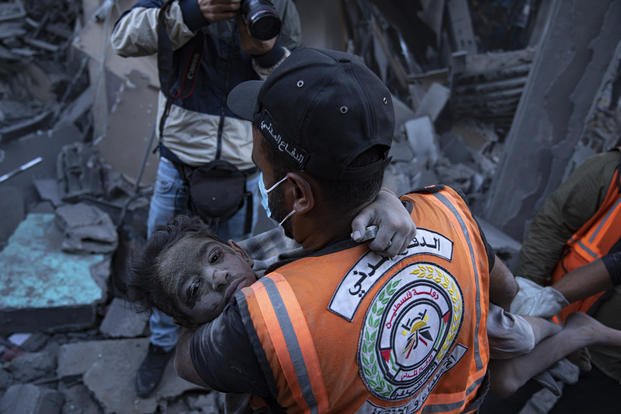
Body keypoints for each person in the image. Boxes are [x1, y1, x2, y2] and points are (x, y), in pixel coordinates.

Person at [162, 47, 498, 413]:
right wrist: (386, 195)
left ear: (298, 194)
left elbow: (186, 359)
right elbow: (506, 293)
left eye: (261, 168)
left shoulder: (267, 319)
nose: (260, 177)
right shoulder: (448, 209)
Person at [110, 0, 302, 397]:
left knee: (231, 279)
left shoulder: (277, 3)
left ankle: (224, 358)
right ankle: (162, 346)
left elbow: (294, 82)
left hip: (243, 167)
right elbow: (123, 38)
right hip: (179, 164)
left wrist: (265, 53)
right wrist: (191, 13)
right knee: (167, 275)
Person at [513, 147, 621, 412]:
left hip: (610, 369)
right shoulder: (609, 173)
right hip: (549, 322)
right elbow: (552, 225)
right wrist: (530, 296)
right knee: (498, 394)